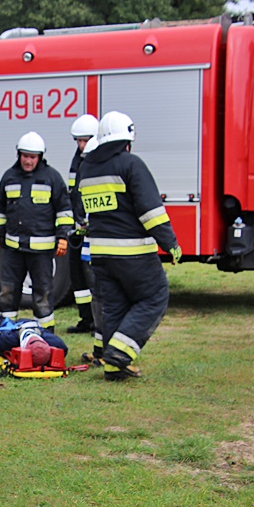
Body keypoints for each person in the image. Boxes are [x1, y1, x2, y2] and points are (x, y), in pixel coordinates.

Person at [76, 111, 181, 381]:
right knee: (154, 296)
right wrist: (170, 243)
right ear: (127, 140)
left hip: (100, 253)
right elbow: (150, 211)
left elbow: (85, 209)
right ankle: (119, 354)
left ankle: (113, 367)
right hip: (133, 251)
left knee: (115, 306)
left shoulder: (86, 168)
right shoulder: (131, 164)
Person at [0, 131, 73, 331]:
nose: (28, 161)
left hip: (41, 253)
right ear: (19, 154)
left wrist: (63, 236)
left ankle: (45, 334)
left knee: (43, 294)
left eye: (32, 157)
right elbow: (0, 208)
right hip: (14, 250)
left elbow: (64, 210)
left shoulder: (52, 177)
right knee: (8, 292)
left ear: (40, 157)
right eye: (25, 156)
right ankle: (7, 331)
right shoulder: (9, 177)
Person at [66, 114, 98, 334]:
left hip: (92, 230)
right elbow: (73, 193)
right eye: (78, 141)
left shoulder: (96, 161)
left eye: (85, 140)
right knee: (78, 278)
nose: (81, 145)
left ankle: (98, 320)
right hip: (77, 228)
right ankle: (86, 318)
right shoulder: (77, 160)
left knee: (93, 278)